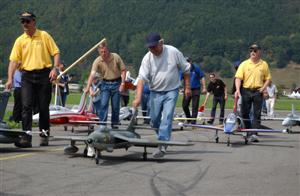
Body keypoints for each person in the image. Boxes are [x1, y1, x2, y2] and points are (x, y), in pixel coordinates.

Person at [5, 11, 60, 147]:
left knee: (43, 107)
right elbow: (13, 61)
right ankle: (26, 137)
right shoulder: (20, 40)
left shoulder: (44, 35)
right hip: (27, 76)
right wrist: (10, 79)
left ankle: (44, 135)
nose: (25, 24)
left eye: (27, 21)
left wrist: (55, 69)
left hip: (44, 75)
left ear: (34, 22)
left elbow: (56, 52)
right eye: (22, 21)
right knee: (26, 106)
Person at [132, 32, 191, 158]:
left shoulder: (173, 52)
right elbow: (141, 79)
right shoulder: (147, 58)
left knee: (167, 117)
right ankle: (162, 136)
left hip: (172, 90)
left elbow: (186, 69)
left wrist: (187, 87)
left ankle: (162, 145)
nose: (152, 50)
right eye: (150, 47)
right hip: (155, 92)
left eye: (154, 46)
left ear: (161, 43)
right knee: (153, 120)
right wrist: (138, 97)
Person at [85, 39, 126, 128]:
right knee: (103, 104)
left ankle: (114, 125)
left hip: (116, 82)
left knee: (115, 106)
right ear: (99, 52)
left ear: (107, 49)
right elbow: (92, 74)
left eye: (105, 51)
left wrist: (123, 83)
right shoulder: (97, 61)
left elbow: (123, 70)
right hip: (105, 83)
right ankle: (102, 125)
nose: (104, 53)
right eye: (101, 52)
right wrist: (88, 87)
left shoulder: (115, 57)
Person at [234, 43, 271, 142]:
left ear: (259, 52)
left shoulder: (264, 64)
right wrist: (237, 90)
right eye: (251, 51)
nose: (252, 52)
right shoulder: (244, 64)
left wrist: (263, 88)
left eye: (255, 50)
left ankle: (254, 134)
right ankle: (248, 131)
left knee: (257, 113)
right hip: (246, 90)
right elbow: (238, 78)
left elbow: (268, 79)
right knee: (244, 112)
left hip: (258, 91)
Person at [181, 57, 206, 124]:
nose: (187, 63)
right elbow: (179, 79)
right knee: (184, 105)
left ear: (191, 61)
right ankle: (189, 118)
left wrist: (204, 87)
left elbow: (202, 76)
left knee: (195, 106)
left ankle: (193, 121)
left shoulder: (196, 68)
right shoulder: (183, 69)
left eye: (188, 61)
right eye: (186, 61)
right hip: (187, 89)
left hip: (196, 89)